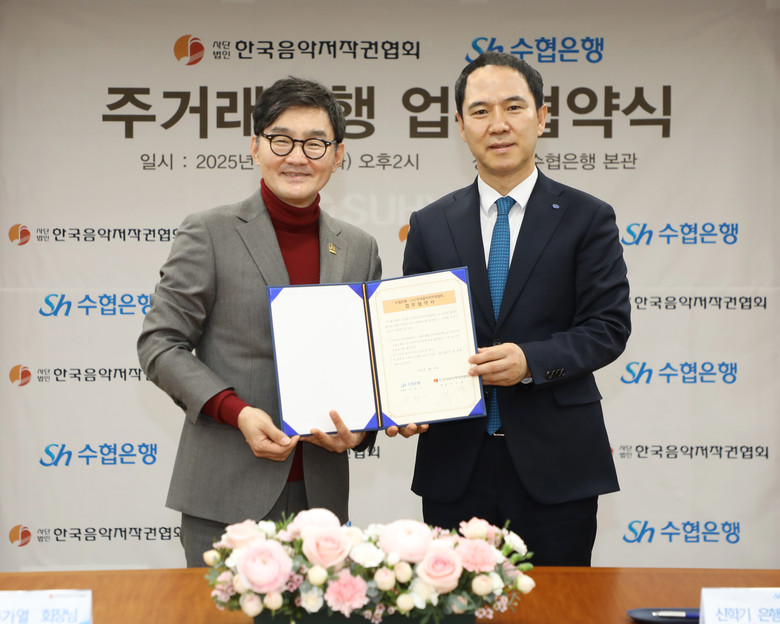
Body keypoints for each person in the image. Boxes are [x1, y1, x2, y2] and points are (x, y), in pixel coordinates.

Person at [392, 52, 631, 566]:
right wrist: (405, 401)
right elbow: (411, 336)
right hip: (455, 464)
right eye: (480, 111)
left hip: (557, 466)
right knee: (451, 601)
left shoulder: (587, 217)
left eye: (513, 107)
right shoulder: (431, 224)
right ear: (460, 126)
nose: (497, 124)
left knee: (560, 604)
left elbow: (607, 327)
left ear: (542, 117)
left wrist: (530, 361)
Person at [137, 76, 380, 567]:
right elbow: (160, 344)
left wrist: (362, 430)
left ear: (338, 155)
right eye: (281, 140)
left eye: (315, 143)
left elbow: (368, 361)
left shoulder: (359, 247)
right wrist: (237, 412)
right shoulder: (209, 231)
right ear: (255, 146)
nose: (297, 157)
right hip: (225, 497)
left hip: (322, 502)